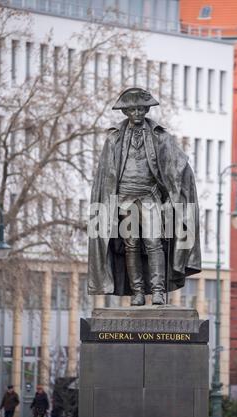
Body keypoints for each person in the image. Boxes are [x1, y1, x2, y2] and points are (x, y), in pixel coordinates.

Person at [88, 87, 201, 305]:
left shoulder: (160, 137)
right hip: (125, 201)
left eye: (141, 109)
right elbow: (104, 176)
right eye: (133, 110)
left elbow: (179, 165)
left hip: (150, 199)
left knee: (153, 243)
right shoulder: (114, 139)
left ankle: (158, 291)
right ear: (126, 112)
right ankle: (138, 291)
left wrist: (174, 194)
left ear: (146, 110)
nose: (138, 113)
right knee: (132, 245)